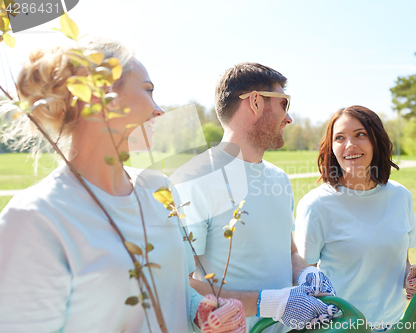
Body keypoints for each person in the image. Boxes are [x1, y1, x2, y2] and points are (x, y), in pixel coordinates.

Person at [0, 36, 245, 333]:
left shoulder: (158, 189)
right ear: (100, 97)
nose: (159, 110)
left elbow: (173, 292)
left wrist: (201, 312)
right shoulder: (35, 218)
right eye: (147, 90)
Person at [171, 62, 337, 333]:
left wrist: (306, 272)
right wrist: (268, 303)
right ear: (256, 102)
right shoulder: (194, 179)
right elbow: (178, 284)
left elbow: (290, 251)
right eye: (284, 104)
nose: (289, 117)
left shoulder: (279, 178)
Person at [295, 105, 416, 331]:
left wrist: (413, 280)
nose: (350, 145)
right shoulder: (316, 205)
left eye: (360, 135)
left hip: (395, 324)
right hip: (340, 327)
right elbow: (302, 278)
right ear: (331, 147)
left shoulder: (400, 196)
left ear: (376, 140)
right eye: (340, 138)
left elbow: (402, 261)